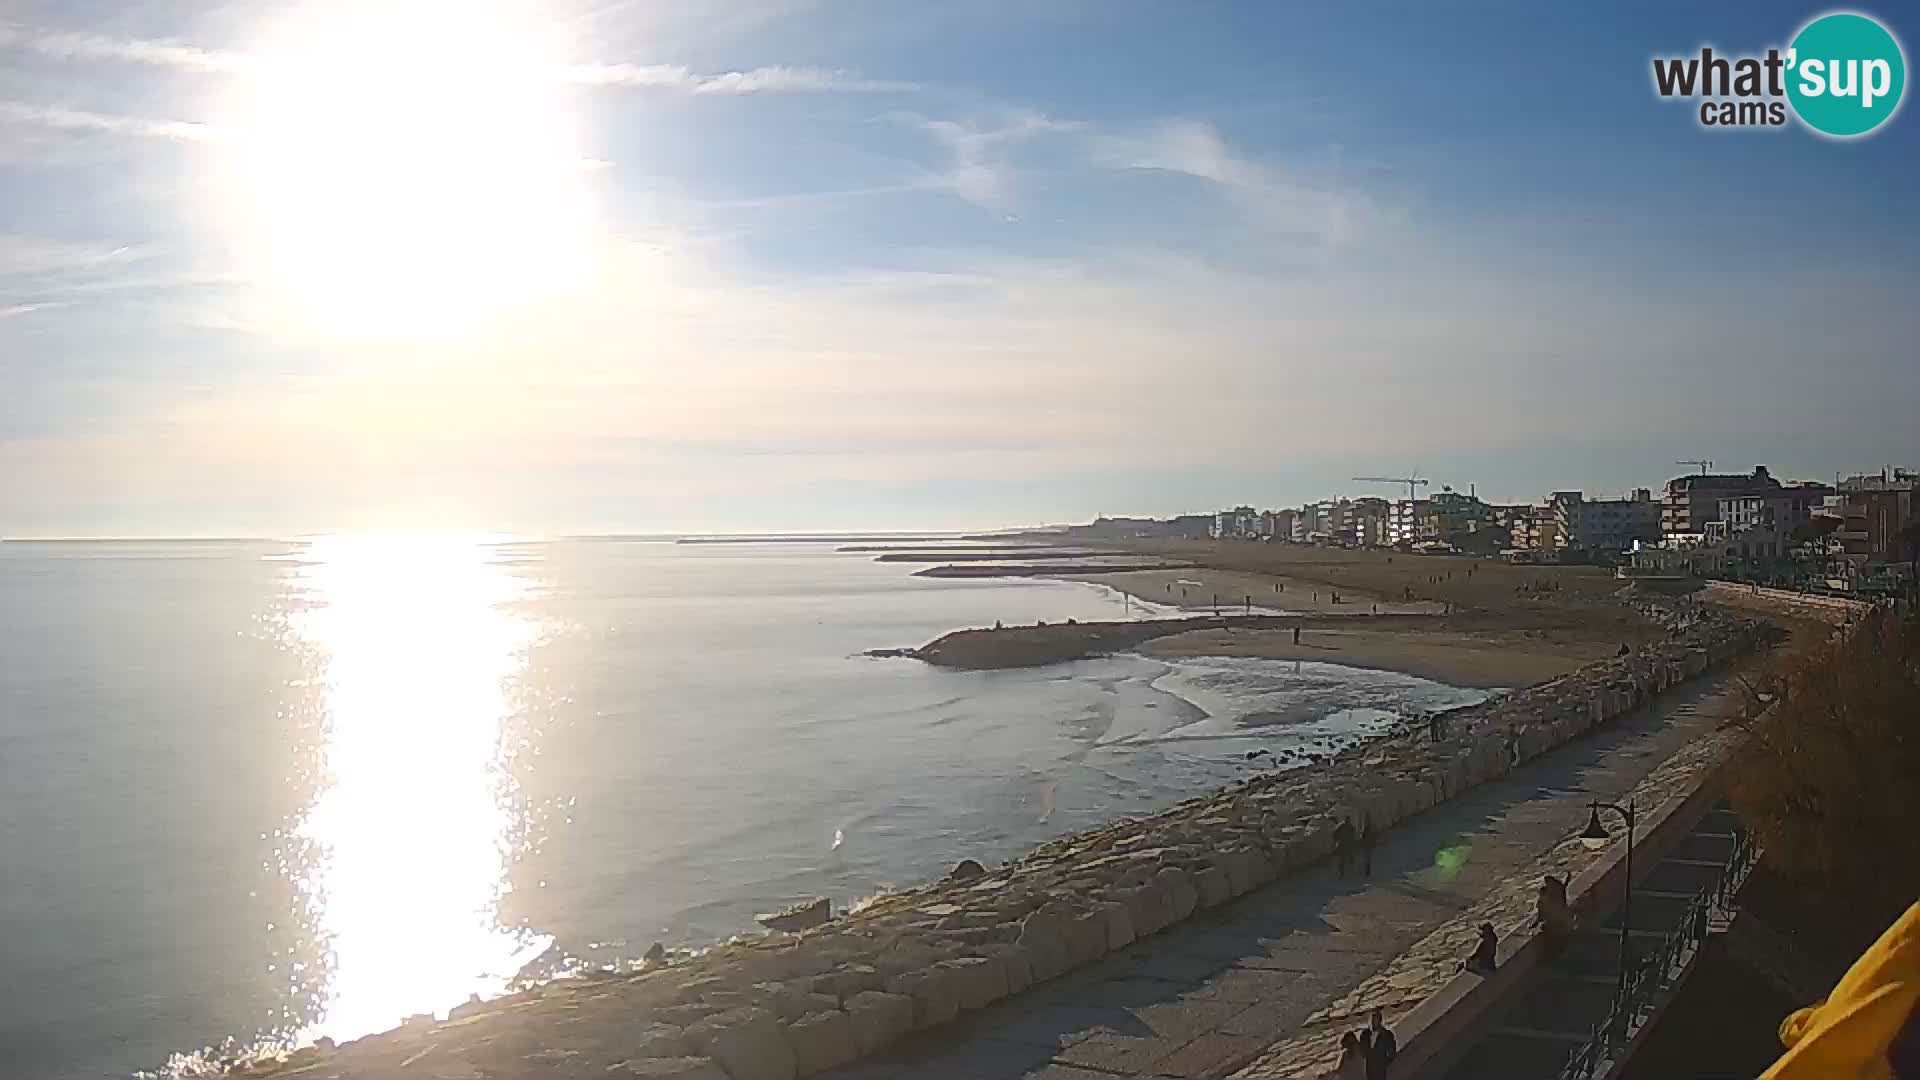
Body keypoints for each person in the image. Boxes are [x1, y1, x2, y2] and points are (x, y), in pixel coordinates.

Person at [1537, 875, 1574, 959]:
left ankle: (1559, 953)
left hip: (1556, 923)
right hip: (1561, 920)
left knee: (1556, 937)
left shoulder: (1545, 898)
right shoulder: (1558, 887)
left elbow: (1541, 913)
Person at [1365, 1008, 1398, 1079]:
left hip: (1381, 1071)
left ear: (1380, 1019)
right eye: (1372, 1018)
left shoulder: (1387, 1035)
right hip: (1369, 1071)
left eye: (1375, 1018)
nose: (1373, 1021)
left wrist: (1383, 1064)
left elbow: (1392, 1053)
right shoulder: (1366, 1035)